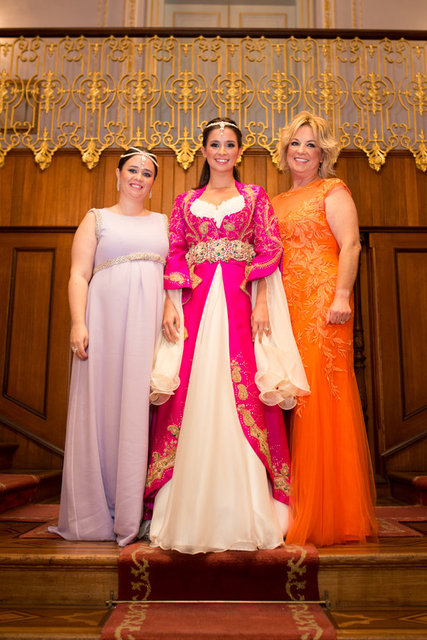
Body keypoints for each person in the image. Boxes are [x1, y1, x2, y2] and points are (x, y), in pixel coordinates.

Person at [144, 117, 309, 554]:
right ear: (203, 151)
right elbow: (175, 252)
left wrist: (261, 301)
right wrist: (169, 302)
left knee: (244, 389)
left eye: (229, 145)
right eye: (215, 144)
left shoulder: (255, 197)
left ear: (239, 152)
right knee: (193, 388)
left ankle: (250, 508)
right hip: (196, 305)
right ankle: (184, 510)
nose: (221, 152)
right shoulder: (184, 202)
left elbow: (270, 248)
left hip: (240, 301)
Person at [50, 147, 169, 546]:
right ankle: (100, 509)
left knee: (146, 408)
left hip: (151, 327)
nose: (139, 177)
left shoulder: (163, 223)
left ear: (153, 183)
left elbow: (176, 275)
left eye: (147, 173)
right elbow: (78, 274)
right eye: (132, 170)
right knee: (105, 409)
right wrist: (78, 322)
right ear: (117, 175)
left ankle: (142, 511)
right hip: (104, 324)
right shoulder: (96, 218)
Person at [272, 111, 378, 546]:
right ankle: (296, 504)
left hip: (323, 306)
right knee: (291, 397)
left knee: (320, 399)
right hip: (286, 308)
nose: (301, 151)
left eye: (311, 145)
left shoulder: (333, 190)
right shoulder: (276, 201)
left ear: (323, 154)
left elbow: (351, 244)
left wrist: (342, 296)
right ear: (285, 151)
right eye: (295, 143)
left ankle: (330, 511)